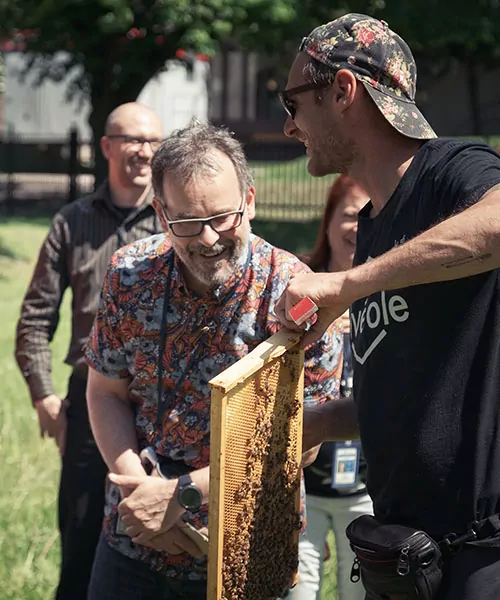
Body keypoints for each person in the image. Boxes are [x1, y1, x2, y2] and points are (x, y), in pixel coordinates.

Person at [276, 12, 500, 600]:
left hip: (483, 548)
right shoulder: (372, 227)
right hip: (401, 551)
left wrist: (349, 285)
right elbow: (412, 387)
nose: (288, 127)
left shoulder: (451, 170)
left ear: (343, 91)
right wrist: (320, 422)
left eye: (292, 101)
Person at [83, 120, 343, 600]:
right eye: (186, 222)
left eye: (223, 217)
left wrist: (181, 496)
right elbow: (105, 391)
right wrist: (137, 488)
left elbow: (303, 444)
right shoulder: (129, 274)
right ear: (160, 212)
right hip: (134, 545)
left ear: (249, 199)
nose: (207, 239)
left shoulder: (298, 292)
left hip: (250, 553)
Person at [14, 102, 164, 600]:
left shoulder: (173, 222)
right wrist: (44, 397)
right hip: (87, 398)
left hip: (159, 402)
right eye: (133, 140)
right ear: (107, 147)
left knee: (161, 547)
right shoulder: (71, 223)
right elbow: (35, 318)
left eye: (153, 141)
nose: (144, 152)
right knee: (80, 541)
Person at [288, 176, 372, 600]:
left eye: (369, 215)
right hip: (303, 490)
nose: (359, 226)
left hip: (366, 491)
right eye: (351, 214)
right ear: (328, 222)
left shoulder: (393, 293)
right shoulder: (302, 288)